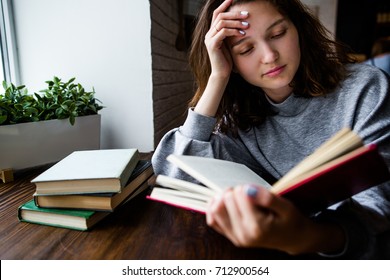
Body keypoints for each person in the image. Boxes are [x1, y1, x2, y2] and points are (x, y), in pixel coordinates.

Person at [152, 0, 390, 259]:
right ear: (231, 61)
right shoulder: (240, 121)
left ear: (298, 28)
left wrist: (306, 236)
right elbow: (173, 175)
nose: (269, 56)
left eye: (277, 34)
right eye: (245, 50)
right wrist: (216, 78)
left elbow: (380, 215)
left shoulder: (365, 88)